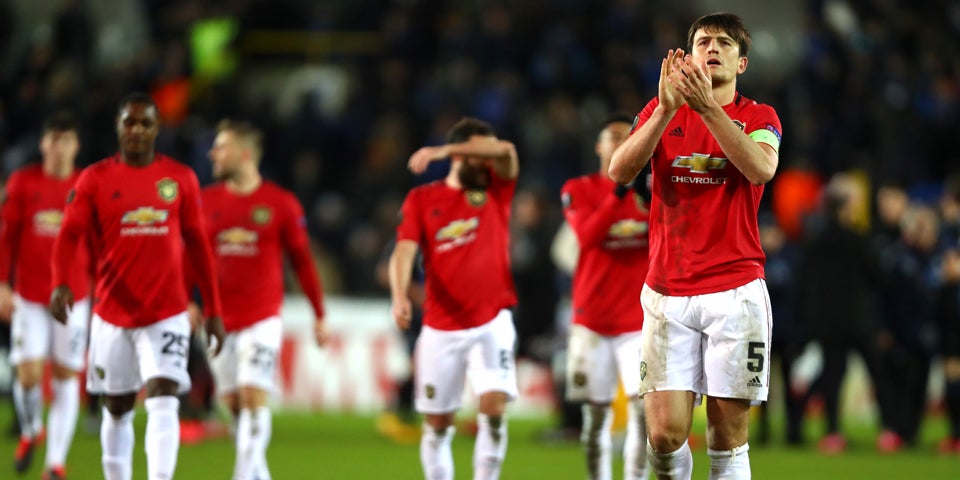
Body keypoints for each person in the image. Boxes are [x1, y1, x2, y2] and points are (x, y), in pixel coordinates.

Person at [608, 13, 782, 479]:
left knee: (726, 436)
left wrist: (708, 109)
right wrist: (665, 111)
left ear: (741, 63)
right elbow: (619, 171)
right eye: (703, 41)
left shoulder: (760, 116)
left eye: (724, 42)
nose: (713, 48)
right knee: (664, 437)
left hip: (735, 291)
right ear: (688, 56)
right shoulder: (659, 109)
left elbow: (761, 169)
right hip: (668, 291)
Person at [48, 92, 224, 480]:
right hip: (112, 313)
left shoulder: (180, 179)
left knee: (163, 395)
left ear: (157, 128)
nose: (137, 130)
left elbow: (199, 244)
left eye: (146, 123)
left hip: (167, 312)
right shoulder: (95, 179)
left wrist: (212, 308)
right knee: (117, 407)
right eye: (130, 122)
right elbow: (69, 234)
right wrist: (60, 283)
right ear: (119, 126)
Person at [196, 119, 327, 479]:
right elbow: (190, 259)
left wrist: (319, 313)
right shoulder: (205, 202)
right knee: (235, 405)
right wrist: (189, 302)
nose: (212, 154)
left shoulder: (280, 204)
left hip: (262, 316)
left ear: (245, 154)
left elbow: (302, 261)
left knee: (254, 397)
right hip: (217, 319)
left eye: (221, 147)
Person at [389, 117, 519, 480]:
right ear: (462, 155)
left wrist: (442, 150)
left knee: (494, 411)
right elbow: (403, 251)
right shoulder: (422, 199)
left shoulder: (497, 187)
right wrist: (399, 295)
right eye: (480, 152)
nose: (488, 160)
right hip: (441, 327)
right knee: (438, 423)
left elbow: (507, 150)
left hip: (492, 320)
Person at [0, 112, 92, 479]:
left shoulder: (87, 185)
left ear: (76, 145)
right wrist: (2, 284)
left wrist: (104, 286)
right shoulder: (23, 182)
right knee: (28, 375)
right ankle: (31, 429)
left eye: (66, 140)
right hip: (30, 296)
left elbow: (99, 240)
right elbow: (6, 236)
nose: (59, 147)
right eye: (53, 139)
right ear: (43, 144)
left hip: (73, 297)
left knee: (66, 375)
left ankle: (55, 463)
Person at [561, 112, 651, 480]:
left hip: (638, 321)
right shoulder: (578, 189)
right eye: (613, 136)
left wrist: (641, 194)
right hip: (592, 321)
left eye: (627, 136)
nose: (620, 141)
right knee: (596, 417)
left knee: (643, 414)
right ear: (598, 147)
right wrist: (620, 190)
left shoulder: (651, 193)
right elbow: (587, 236)